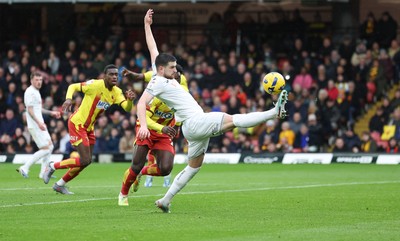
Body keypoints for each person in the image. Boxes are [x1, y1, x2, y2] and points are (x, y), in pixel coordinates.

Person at [136, 9, 288, 213]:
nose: (176, 70)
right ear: (162, 69)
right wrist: (144, 126)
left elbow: (152, 48)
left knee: (194, 166)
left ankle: (165, 200)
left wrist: (147, 25)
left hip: (192, 127)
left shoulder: (161, 72)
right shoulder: (157, 83)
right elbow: (141, 103)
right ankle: (273, 112)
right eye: (172, 68)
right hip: (195, 122)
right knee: (233, 120)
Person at [42, 64, 136, 194]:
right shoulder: (94, 85)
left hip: (89, 127)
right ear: (104, 76)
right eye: (111, 74)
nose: (115, 76)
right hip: (77, 123)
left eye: (116, 74)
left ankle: (59, 184)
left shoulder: (117, 92)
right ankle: (52, 166)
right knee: (84, 159)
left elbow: (127, 108)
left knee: (86, 161)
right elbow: (73, 86)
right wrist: (69, 99)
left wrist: (130, 101)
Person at [117, 64, 188, 206]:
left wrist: (178, 127)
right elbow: (145, 116)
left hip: (164, 132)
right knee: (136, 165)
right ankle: (123, 193)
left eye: (178, 75)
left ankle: (141, 173)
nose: (175, 77)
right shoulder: (157, 94)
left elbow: (181, 112)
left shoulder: (183, 91)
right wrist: (162, 128)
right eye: (173, 74)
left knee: (165, 169)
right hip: (146, 128)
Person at [16, 72, 61, 179]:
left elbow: (37, 109)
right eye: (36, 80)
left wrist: (51, 113)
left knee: (50, 147)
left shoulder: (36, 92)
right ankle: (25, 167)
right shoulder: (30, 92)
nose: (39, 82)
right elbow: (30, 110)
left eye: (40, 80)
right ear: (31, 80)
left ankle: (43, 173)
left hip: (39, 124)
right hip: (35, 125)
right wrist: (39, 123)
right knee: (46, 148)